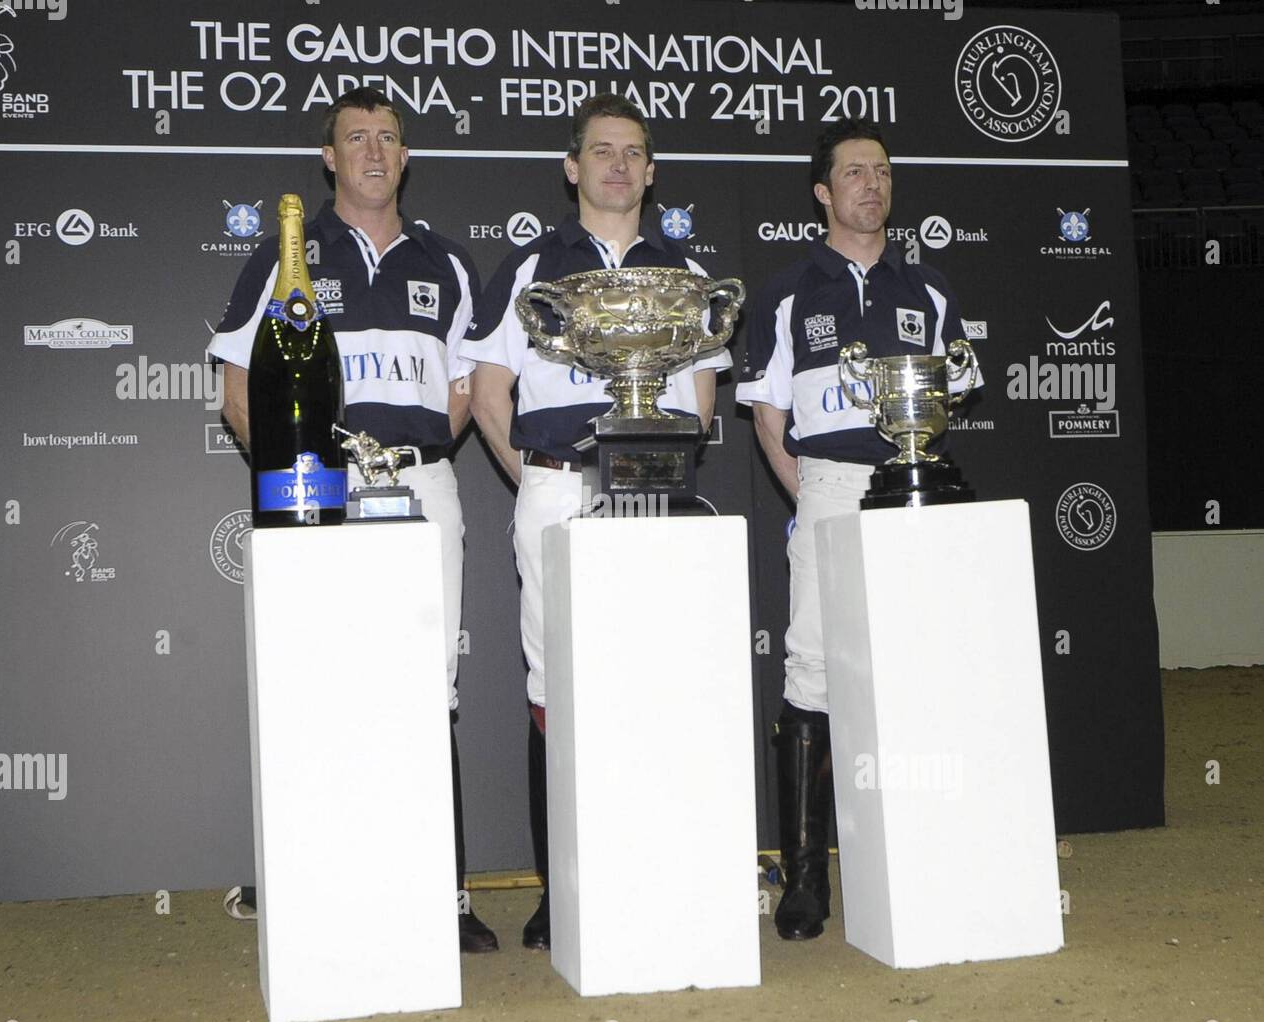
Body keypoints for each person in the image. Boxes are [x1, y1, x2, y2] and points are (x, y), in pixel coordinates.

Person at [208, 88, 498, 953]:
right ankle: (317, 881)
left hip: (420, 493)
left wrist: (403, 461)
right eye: (355, 139)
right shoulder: (279, 260)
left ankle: (442, 896)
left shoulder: (445, 264)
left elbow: (462, 396)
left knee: (427, 690)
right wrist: (308, 479)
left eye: (388, 138)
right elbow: (235, 394)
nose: (373, 151)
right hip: (318, 502)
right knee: (324, 687)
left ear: (405, 158)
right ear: (328, 158)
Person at [465, 94, 731, 950]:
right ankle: (561, 892)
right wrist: (537, 479)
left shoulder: (683, 276)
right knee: (557, 690)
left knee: (655, 680)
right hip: (557, 485)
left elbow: (699, 398)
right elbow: (489, 392)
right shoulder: (531, 268)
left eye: (635, 152)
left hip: (656, 491)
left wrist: (663, 470)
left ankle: (657, 869)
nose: (619, 165)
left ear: (651, 172)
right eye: (602, 151)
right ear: (571, 167)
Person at [737, 119, 978, 940]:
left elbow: (956, 393)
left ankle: (919, 852)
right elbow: (768, 413)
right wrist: (811, 495)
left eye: (881, 171)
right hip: (831, 484)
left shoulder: (932, 290)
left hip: (914, 488)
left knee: (914, 668)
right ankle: (806, 879)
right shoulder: (786, 291)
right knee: (812, 667)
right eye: (853, 173)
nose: (870, 185)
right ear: (822, 191)